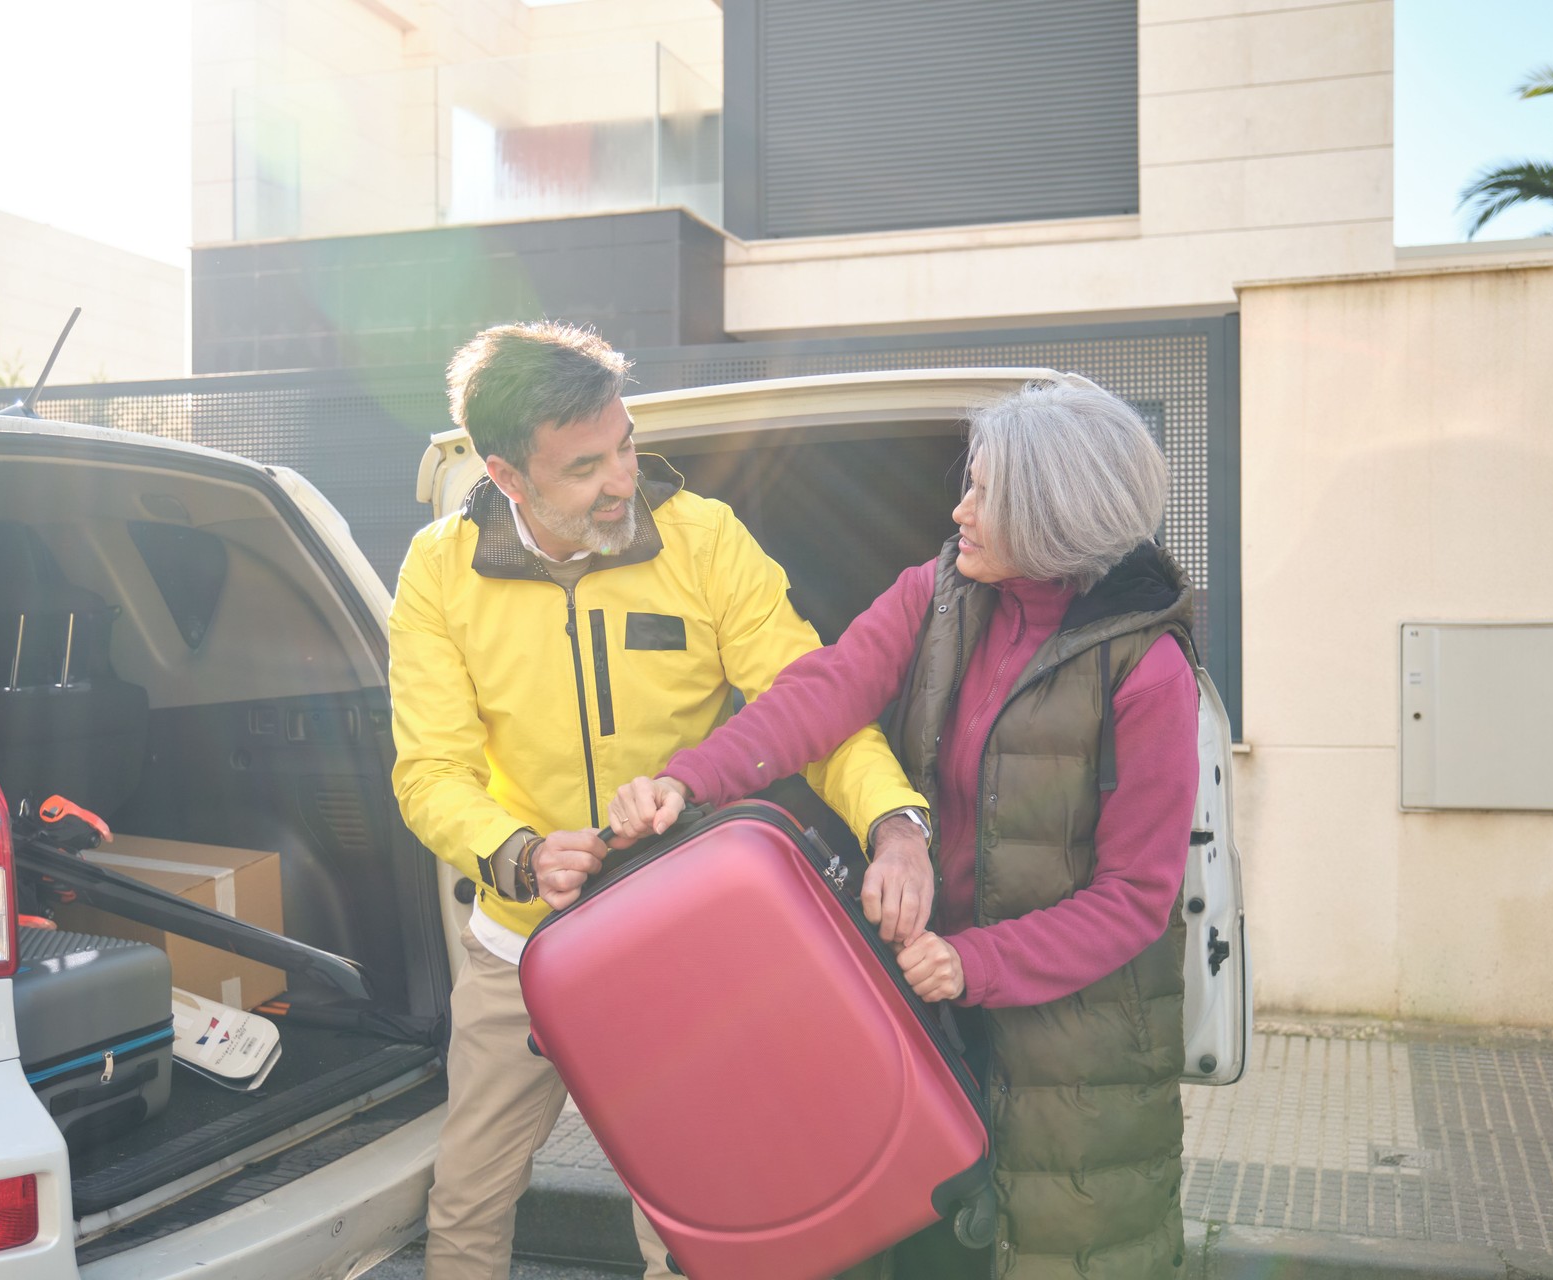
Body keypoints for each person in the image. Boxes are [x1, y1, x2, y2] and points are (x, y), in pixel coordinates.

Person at [610, 381, 1201, 1280]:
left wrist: (977, 963)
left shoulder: (1150, 672)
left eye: (985, 493)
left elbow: (1137, 901)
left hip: (1076, 1054)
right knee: (922, 1246)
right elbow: (818, 696)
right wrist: (686, 782)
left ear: (1054, 515)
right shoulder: (937, 594)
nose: (958, 509)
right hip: (933, 1002)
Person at [389, 321, 935, 1280]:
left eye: (627, 444)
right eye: (585, 466)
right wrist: (518, 851)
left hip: (680, 947)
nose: (620, 479)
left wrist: (897, 821)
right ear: (510, 476)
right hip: (521, 941)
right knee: (468, 1204)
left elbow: (817, 708)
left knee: (688, 1221)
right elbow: (429, 771)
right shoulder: (438, 570)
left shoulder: (705, 538)